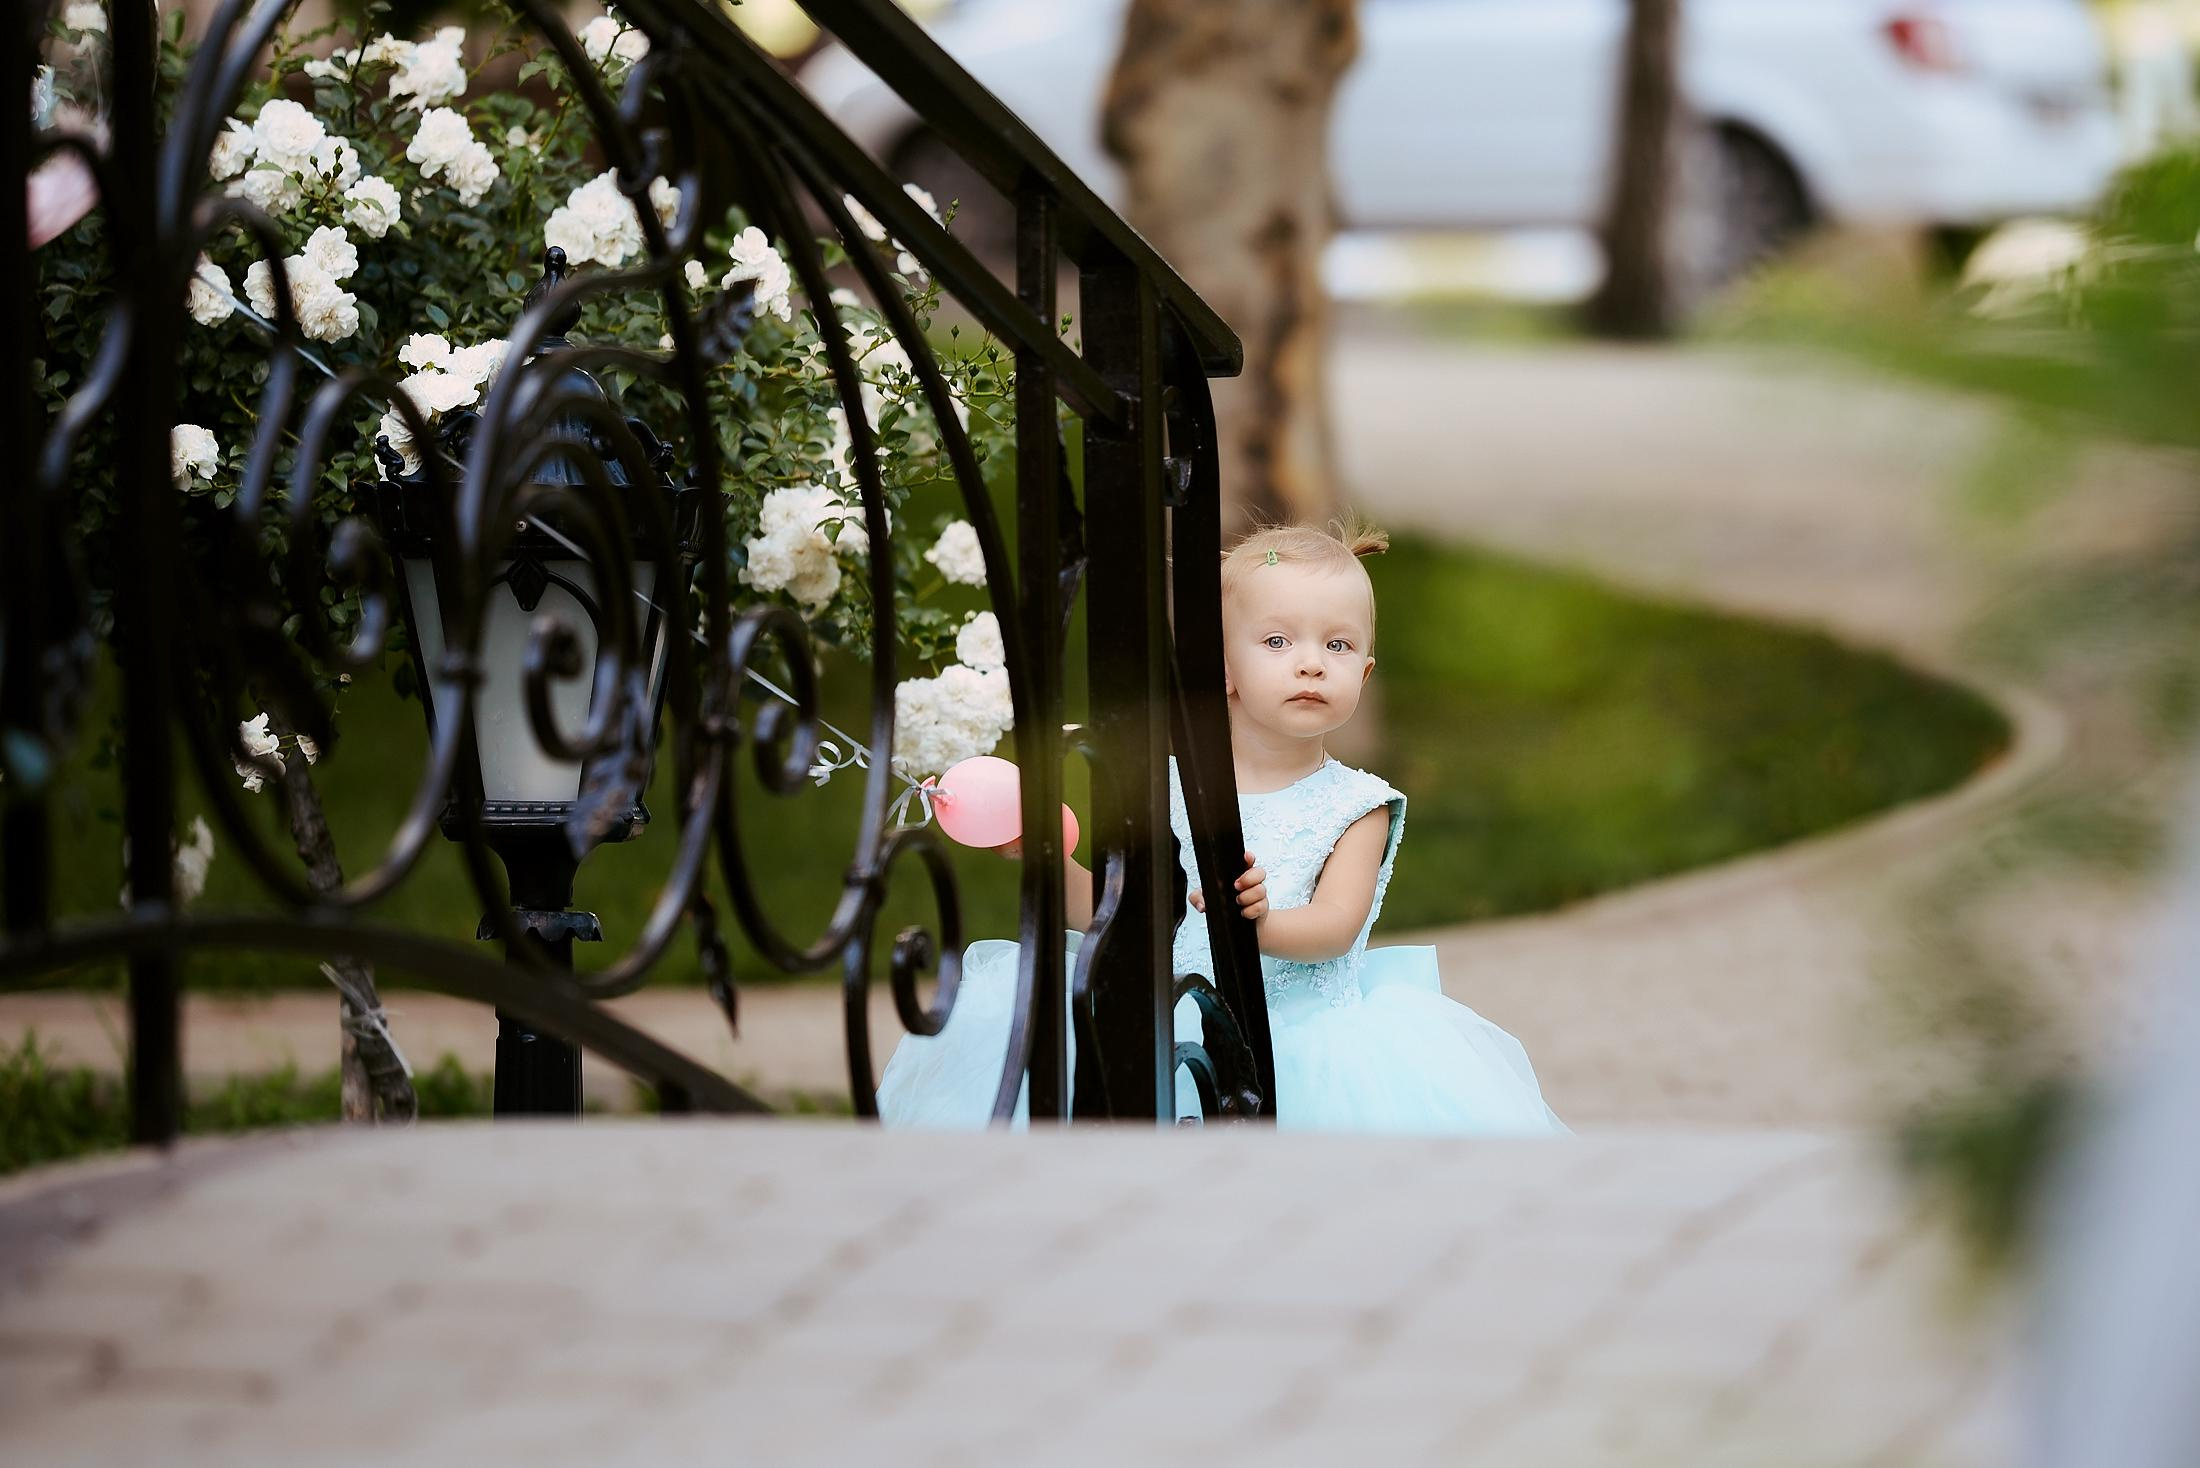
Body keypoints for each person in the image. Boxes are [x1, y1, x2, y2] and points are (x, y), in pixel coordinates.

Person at [878, 520, 1567, 1135]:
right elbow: (1118, 917)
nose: (1310, 661)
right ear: (1224, 669)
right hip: (1160, 1030)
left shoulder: (1359, 805)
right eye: (1277, 640)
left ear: (1365, 670)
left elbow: (1334, 926)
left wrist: (1255, 926)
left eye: (1338, 644)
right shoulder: (1165, 784)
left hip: (1298, 1043)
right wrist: (1050, 859)